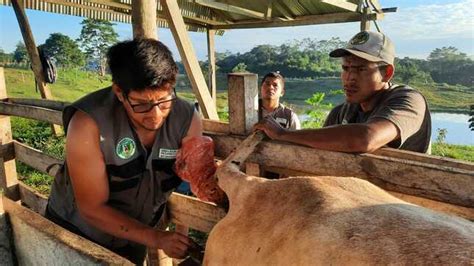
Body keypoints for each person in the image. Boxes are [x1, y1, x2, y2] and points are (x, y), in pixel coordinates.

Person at [46, 39, 202, 264]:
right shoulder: (87, 124)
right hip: (76, 234)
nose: (155, 115)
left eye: (164, 101)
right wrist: (156, 237)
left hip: (134, 237)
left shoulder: (187, 118)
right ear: (119, 91)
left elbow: (194, 174)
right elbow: (91, 207)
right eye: (141, 104)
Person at [255, 31, 431, 154]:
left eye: (361, 69)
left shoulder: (408, 100)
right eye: (346, 68)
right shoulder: (341, 113)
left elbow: (366, 138)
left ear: (387, 73)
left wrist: (283, 134)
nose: (350, 78)